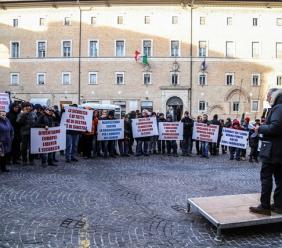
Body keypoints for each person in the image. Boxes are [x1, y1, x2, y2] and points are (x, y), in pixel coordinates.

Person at [250, 89, 282, 215]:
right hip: (278, 150)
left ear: (273, 96)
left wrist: (260, 128)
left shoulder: (278, 107)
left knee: (266, 177)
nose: (267, 98)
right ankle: (279, 205)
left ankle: (265, 206)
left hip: (273, 150)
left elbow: (276, 127)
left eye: (268, 96)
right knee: (280, 179)